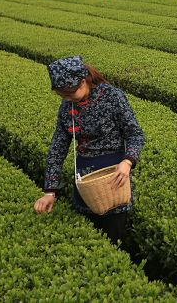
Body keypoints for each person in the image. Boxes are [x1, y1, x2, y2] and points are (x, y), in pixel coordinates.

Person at [33, 56, 144, 245]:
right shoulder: (67, 106)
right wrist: (49, 191)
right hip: (84, 182)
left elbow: (135, 134)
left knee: (113, 238)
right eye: (63, 95)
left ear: (83, 82)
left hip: (113, 179)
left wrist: (127, 162)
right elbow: (57, 148)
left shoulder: (112, 96)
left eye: (70, 93)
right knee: (88, 240)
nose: (67, 99)